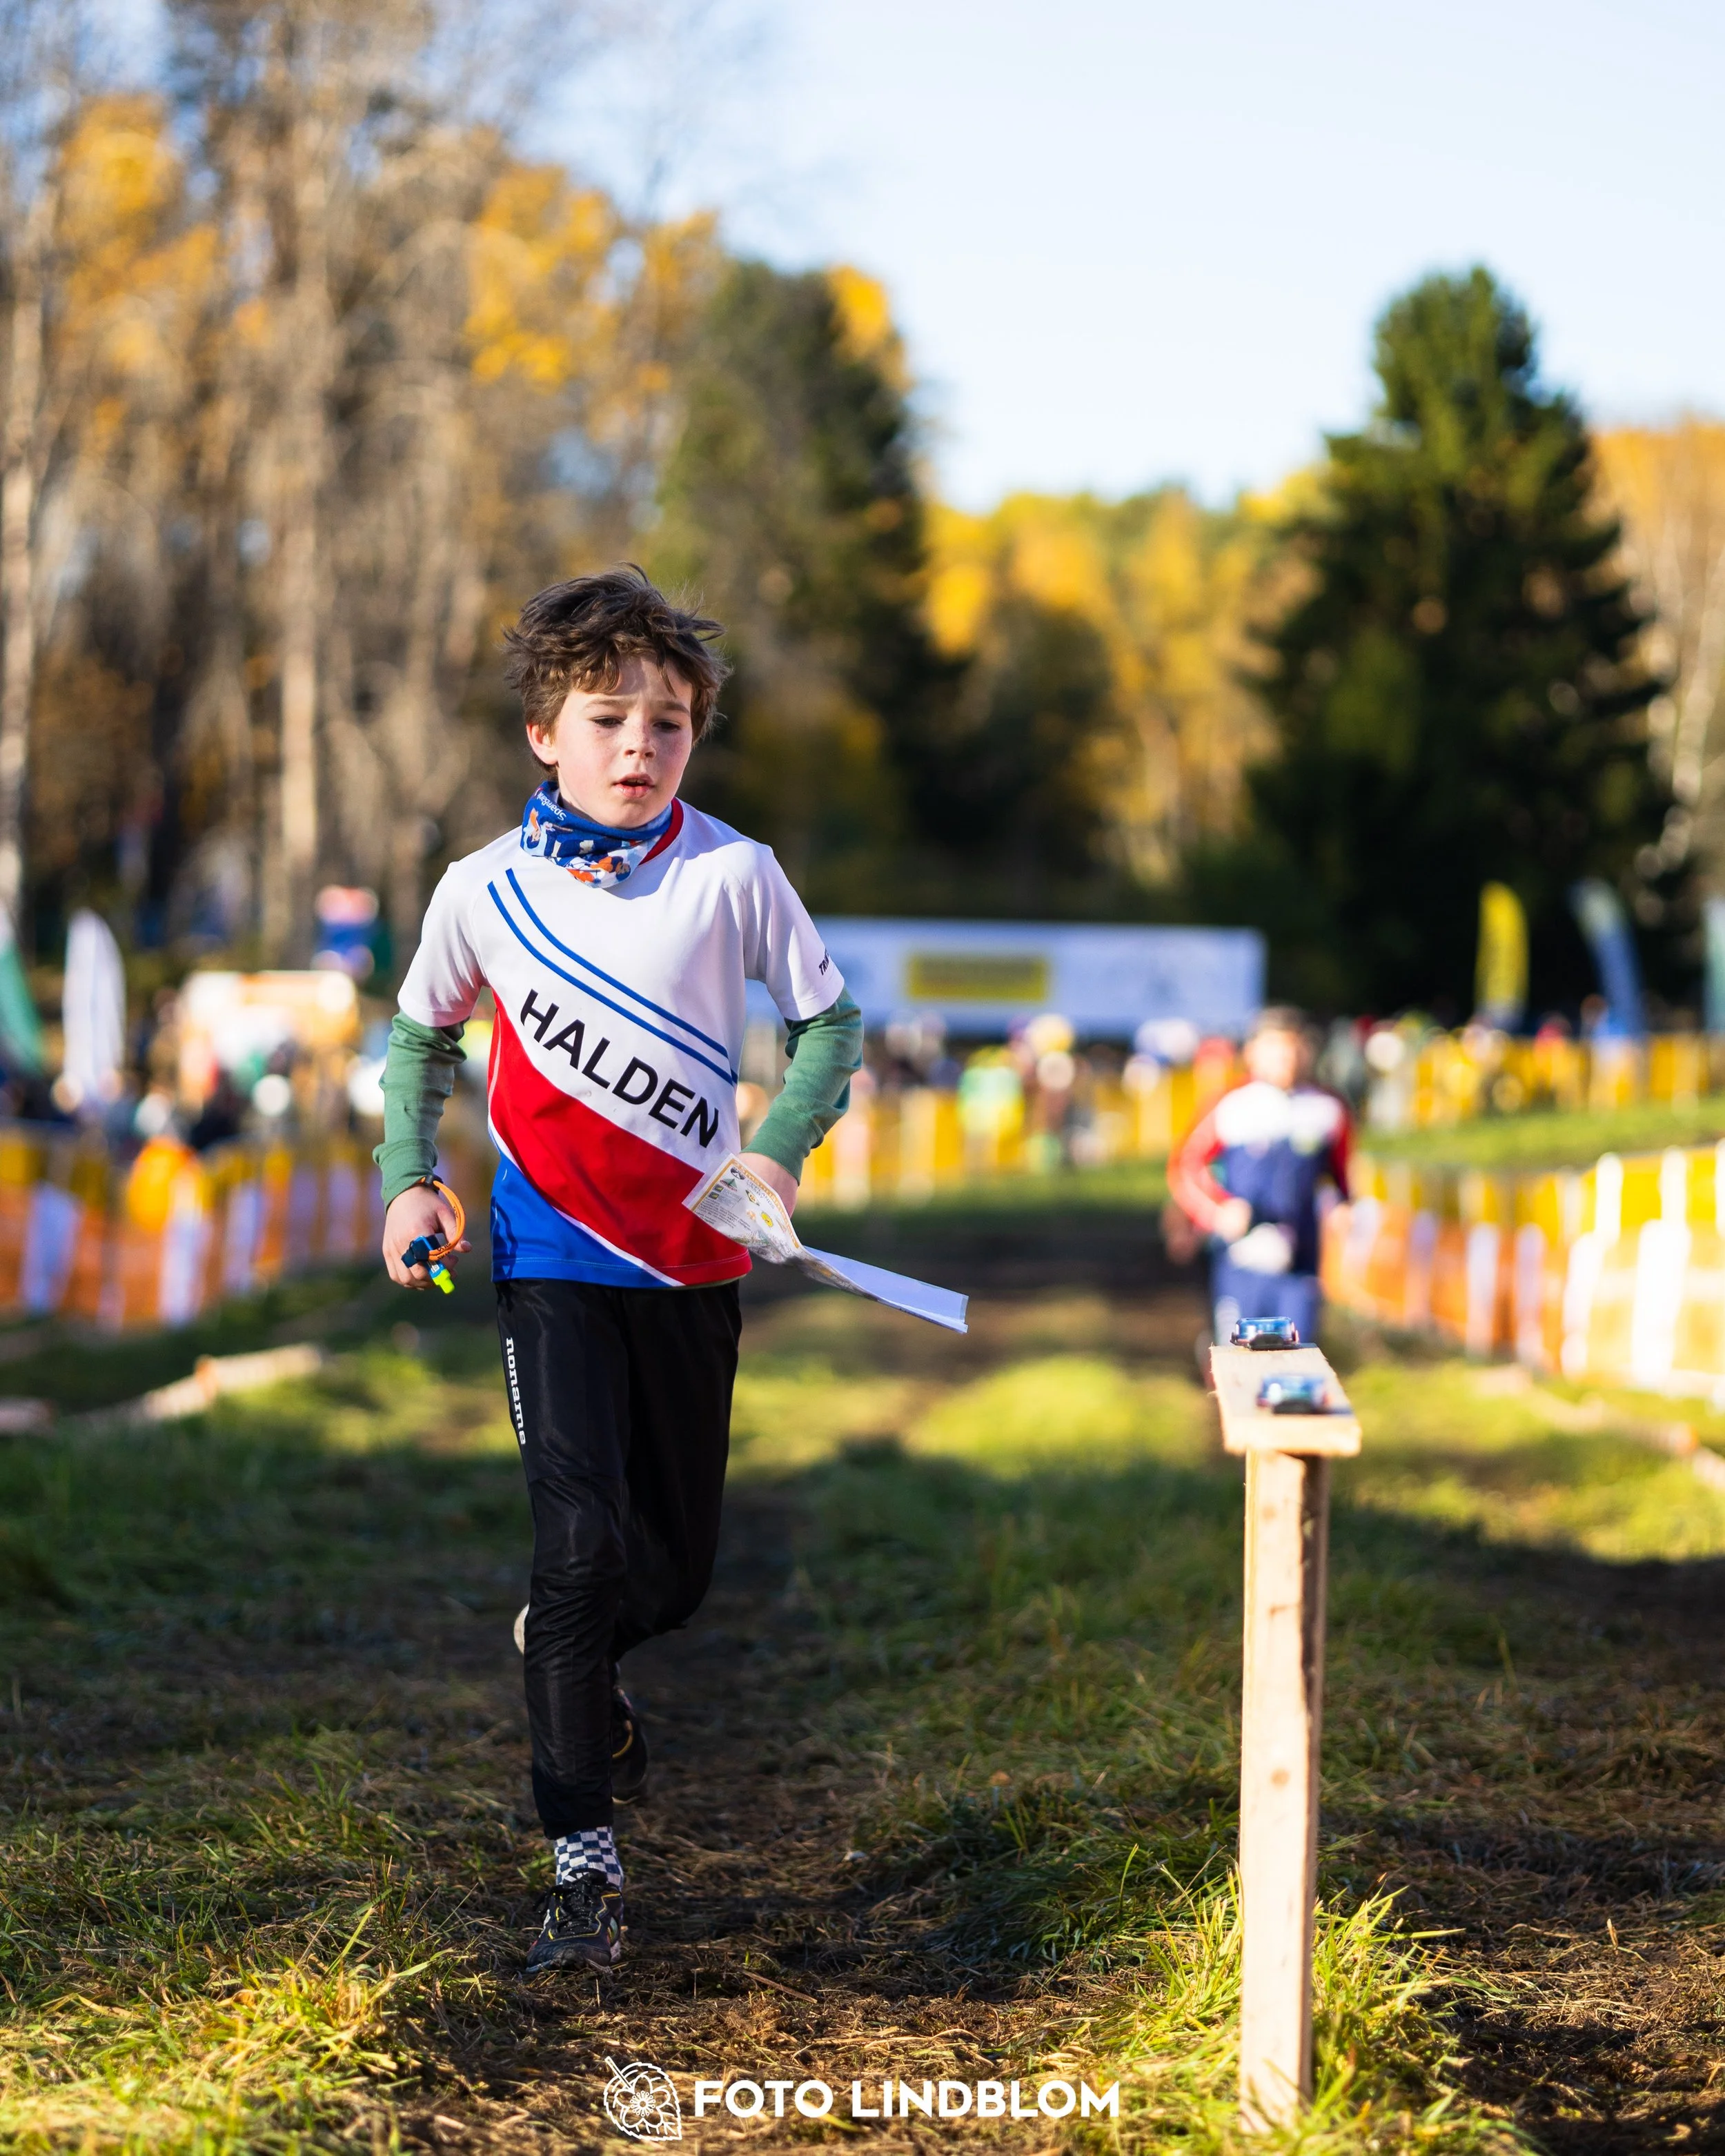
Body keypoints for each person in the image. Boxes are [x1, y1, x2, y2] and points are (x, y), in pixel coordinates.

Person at [375, 569, 861, 1975]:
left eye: (669, 718)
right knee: (580, 1546)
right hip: (547, 1259)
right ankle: (582, 1865)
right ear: (545, 731)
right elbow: (420, 1041)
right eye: (608, 716)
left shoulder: (736, 871)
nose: (640, 742)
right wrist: (414, 1171)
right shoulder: (482, 889)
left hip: (691, 1261)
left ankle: (567, 1653)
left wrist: (773, 1157)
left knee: (674, 1574)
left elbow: (827, 1029)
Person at [1167, 1007, 1350, 1349]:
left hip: (1300, 1259)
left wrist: (1342, 1207)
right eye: (1276, 1047)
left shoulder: (1329, 1108)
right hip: (1241, 1257)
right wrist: (1220, 1211)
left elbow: (1340, 1177)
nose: (1287, 1057)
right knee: (1238, 1357)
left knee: (1299, 1355)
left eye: (1294, 1047)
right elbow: (1184, 1167)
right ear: (1253, 1052)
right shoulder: (1230, 1104)